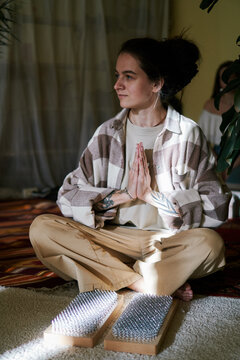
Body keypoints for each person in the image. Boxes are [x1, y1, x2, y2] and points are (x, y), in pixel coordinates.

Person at [29, 36, 231, 302]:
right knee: (42, 229)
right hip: (110, 238)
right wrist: (123, 195)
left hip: (164, 243)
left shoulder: (187, 134)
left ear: (157, 83)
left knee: (211, 246)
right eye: (117, 75)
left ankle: (109, 275)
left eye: (128, 76)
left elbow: (217, 205)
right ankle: (141, 283)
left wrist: (152, 197)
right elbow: (67, 194)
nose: (117, 85)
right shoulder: (106, 134)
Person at [198, 61, 240, 186]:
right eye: (224, 78)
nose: (228, 81)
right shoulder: (210, 105)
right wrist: (216, 161)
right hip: (213, 155)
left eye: (232, 77)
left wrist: (229, 166)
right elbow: (202, 138)